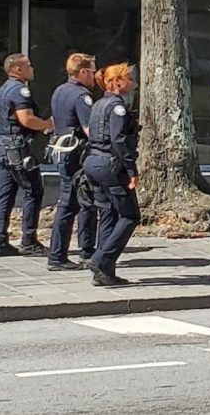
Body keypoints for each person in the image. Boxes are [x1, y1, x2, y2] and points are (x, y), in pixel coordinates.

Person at [81, 64, 140, 287]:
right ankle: (101, 260)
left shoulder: (98, 104)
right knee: (130, 216)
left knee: (108, 215)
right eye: (130, 79)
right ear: (119, 82)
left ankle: (105, 273)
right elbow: (119, 141)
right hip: (110, 165)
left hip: (93, 163)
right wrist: (132, 170)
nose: (133, 84)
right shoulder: (117, 107)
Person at [0, 53, 54, 258]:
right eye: (28, 65)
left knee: (5, 195)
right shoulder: (20, 91)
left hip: (1, 147)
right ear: (17, 69)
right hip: (17, 149)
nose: (32, 68)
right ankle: (29, 239)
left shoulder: (2, 90)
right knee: (33, 191)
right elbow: (26, 119)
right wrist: (48, 125)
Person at [46, 53, 99, 271]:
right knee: (73, 204)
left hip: (62, 151)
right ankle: (59, 256)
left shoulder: (60, 90)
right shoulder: (81, 96)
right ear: (84, 72)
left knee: (78, 202)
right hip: (76, 155)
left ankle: (84, 250)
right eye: (93, 71)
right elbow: (89, 129)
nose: (95, 76)